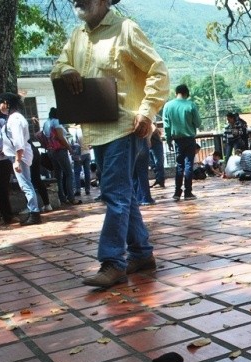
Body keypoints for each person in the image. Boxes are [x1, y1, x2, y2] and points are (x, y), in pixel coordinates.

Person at [52, 0, 169, 287]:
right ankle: (141, 253)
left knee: (114, 194)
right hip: (95, 128)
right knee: (123, 195)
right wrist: (66, 70)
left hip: (124, 126)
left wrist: (147, 111)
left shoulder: (126, 29)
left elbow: (158, 70)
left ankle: (112, 262)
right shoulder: (78, 36)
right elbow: (58, 66)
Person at [0, 92, 41, 225]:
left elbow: (18, 142)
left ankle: (34, 213)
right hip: (17, 155)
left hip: (19, 156)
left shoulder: (14, 119)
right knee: (26, 184)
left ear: (7, 104)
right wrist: (5, 151)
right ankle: (33, 211)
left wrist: (17, 160)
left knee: (26, 185)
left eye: (1, 103)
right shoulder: (12, 118)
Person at [162, 83, 200, 201]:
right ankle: (188, 193)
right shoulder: (191, 105)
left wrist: (168, 140)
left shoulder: (168, 106)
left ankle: (177, 193)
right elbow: (198, 123)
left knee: (179, 165)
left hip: (177, 140)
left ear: (176, 93)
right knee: (189, 165)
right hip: (190, 139)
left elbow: (166, 126)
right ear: (186, 94)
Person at [42, 108, 79, 205]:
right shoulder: (56, 121)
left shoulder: (46, 123)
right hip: (60, 150)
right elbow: (60, 137)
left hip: (51, 151)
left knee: (58, 176)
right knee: (69, 174)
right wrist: (69, 148)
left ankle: (62, 198)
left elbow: (41, 135)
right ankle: (71, 198)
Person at [69, 125, 92, 195]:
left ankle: (78, 189)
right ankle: (87, 189)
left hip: (78, 155)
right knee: (87, 172)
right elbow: (91, 144)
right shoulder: (87, 132)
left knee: (77, 173)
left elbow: (72, 144)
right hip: (87, 153)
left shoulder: (73, 131)